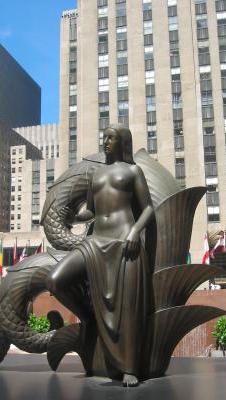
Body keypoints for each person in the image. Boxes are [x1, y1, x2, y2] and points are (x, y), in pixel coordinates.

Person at [46, 124, 155, 387]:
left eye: (110, 138)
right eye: (103, 137)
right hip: (95, 242)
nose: (105, 141)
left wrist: (134, 234)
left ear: (123, 142)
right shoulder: (96, 174)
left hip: (124, 242)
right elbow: (91, 211)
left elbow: (148, 209)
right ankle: (87, 315)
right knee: (55, 280)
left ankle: (130, 368)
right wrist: (71, 215)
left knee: (128, 308)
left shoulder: (133, 171)